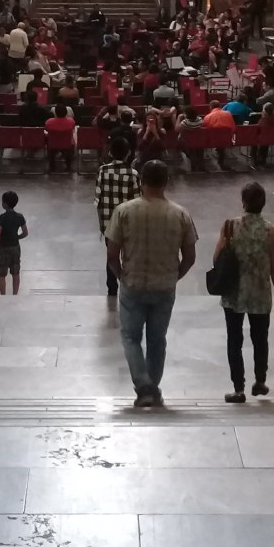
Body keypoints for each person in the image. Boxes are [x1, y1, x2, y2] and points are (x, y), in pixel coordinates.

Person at [105, 159, 198, 409]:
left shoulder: (123, 211)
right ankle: (153, 388)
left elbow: (112, 254)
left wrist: (121, 275)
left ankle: (144, 386)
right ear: (166, 182)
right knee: (157, 340)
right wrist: (174, 276)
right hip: (164, 286)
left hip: (133, 284)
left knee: (130, 337)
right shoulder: (180, 214)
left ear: (141, 181)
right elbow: (190, 257)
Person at [214, 181, 274, 403]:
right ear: (263, 203)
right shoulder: (272, 232)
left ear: (243, 202)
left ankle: (238, 389)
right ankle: (260, 381)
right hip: (260, 294)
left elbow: (216, 258)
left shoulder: (229, 226)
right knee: (260, 339)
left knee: (234, 340)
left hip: (233, 293)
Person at [95, 135, 140, 301]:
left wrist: (101, 224)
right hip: (129, 224)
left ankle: (112, 289)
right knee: (129, 256)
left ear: (110, 153)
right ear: (128, 153)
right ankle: (128, 286)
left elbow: (98, 200)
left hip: (108, 223)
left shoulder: (103, 171)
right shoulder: (133, 174)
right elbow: (138, 202)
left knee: (111, 257)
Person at [0, 189, 28, 295]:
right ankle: (15, 295)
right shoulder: (20, 217)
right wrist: (16, 237)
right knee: (15, 272)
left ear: (4, 204)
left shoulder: (1, 218)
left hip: (3, 247)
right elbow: (25, 232)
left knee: (1, 274)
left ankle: (3, 295)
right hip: (15, 247)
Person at [44, 103, 75, 171]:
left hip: (52, 145)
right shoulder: (71, 121)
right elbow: (73, 128)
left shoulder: (49, 121)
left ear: (55, 112)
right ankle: (68, 166)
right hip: (67, 145)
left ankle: (52, 166)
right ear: (66, 112)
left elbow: (46, 129)